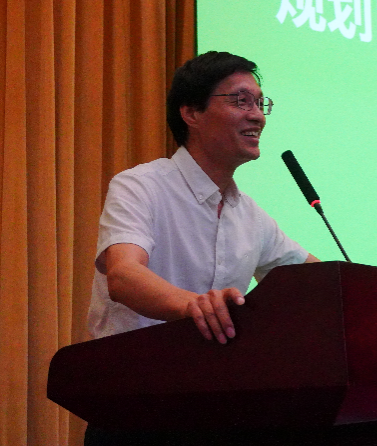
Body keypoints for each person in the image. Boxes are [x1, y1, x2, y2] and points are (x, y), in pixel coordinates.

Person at [87, 51, 319, 347]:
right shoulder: (141, 186)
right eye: (241, 101)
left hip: (213, 374)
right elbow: (123, 275)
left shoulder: (251, 216)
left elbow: (316, 283)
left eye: (260, 104)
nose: (257, 116)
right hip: (130, 368)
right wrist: (195, 306)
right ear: (192, 113)